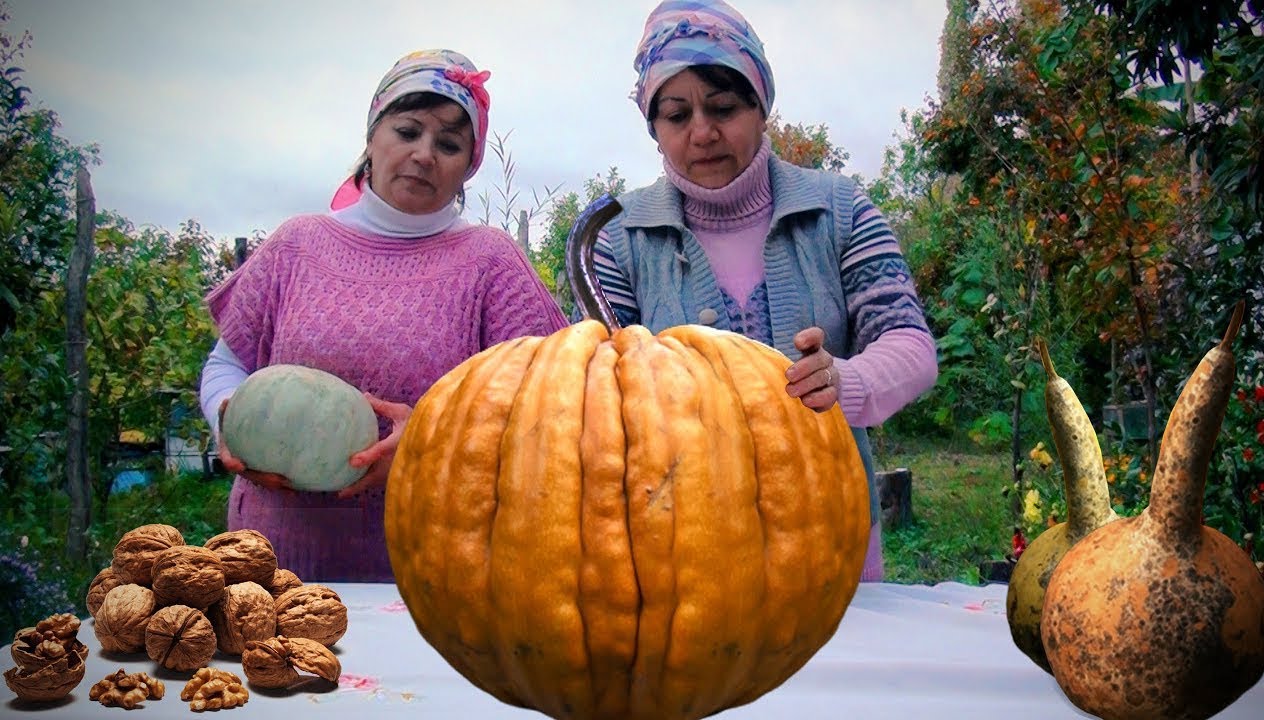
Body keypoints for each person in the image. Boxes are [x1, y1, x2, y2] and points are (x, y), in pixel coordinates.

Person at [588, 0, 939, 581]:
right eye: (676, 116)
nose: (702, 133)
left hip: (834, 535)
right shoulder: (619, 240)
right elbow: (596, 391)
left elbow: (910, 346)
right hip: (680, 547)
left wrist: (846, 380)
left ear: (761, 107)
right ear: (654, 129)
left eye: (723, 107)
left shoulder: (839, 210)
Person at [199, 49, 569, 583]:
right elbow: (224, 367)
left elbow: (550, 408)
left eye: (448, 144)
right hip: (273, 569)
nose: (424, 154)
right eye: (407, 131)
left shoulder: (492, 263)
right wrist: (233, 418)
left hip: (436, 582)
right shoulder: (296, 245)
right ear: (372, 138)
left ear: (469, 164)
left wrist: (426, 445)